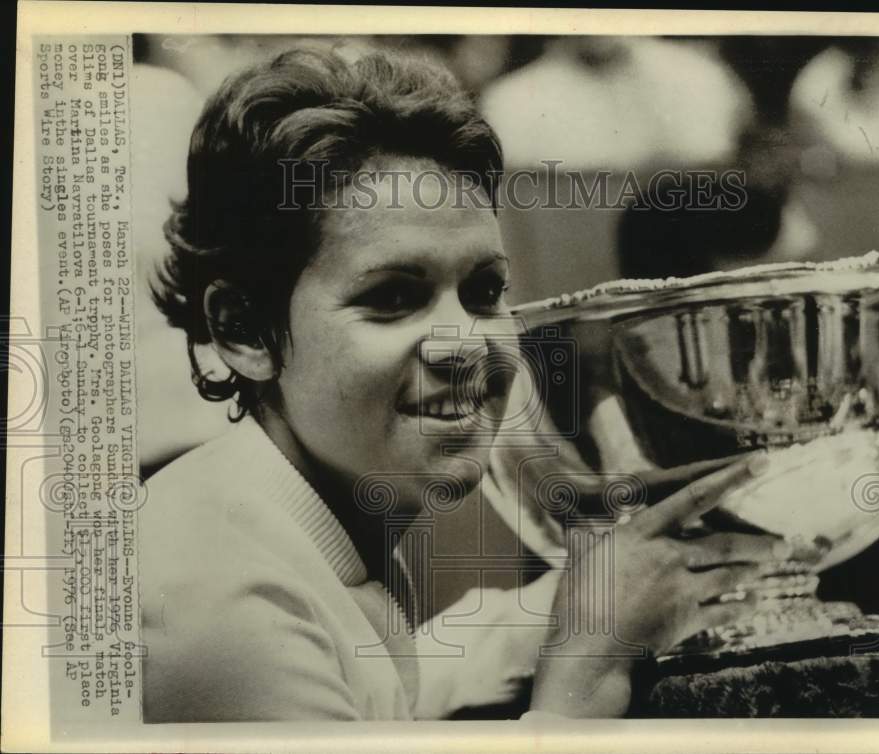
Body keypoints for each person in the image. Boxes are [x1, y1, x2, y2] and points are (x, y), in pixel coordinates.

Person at [140, 43, 805, 722]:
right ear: (243, 331)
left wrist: (624, 581)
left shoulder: (284, 521)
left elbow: (400, 680)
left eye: (485, 291)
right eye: (393, 297)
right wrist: (586, 670)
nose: (470, 345)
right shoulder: (222, 594)